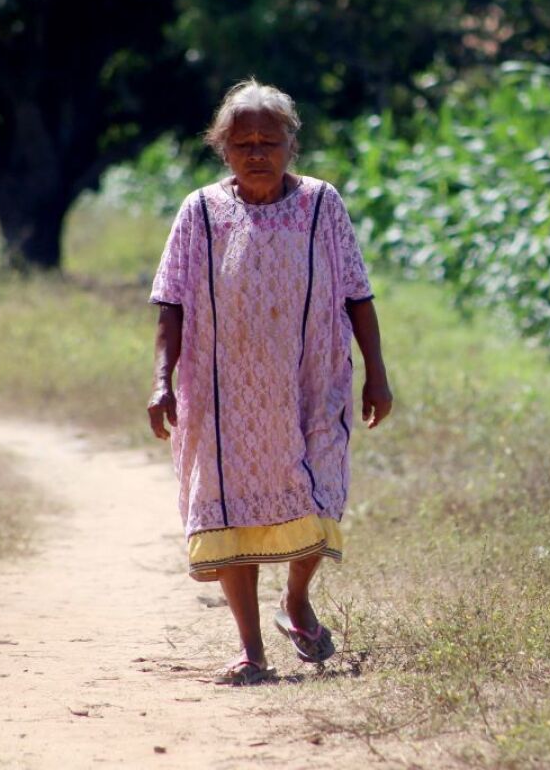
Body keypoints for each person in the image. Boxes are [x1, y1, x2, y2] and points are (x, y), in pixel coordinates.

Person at [146, 79, 393, 686]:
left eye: (270, 140)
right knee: (231, 510)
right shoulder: (200, 212)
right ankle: (250, 649)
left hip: (314, 381)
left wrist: (378, 376)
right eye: (243, 141)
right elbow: (171, 302)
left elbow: (357, 293)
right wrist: (162, 381)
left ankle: (296, 601)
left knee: (320, 493)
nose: (257, 152)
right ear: (221, 148)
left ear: (291, 145)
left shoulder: (321, 205)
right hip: (225, 395)